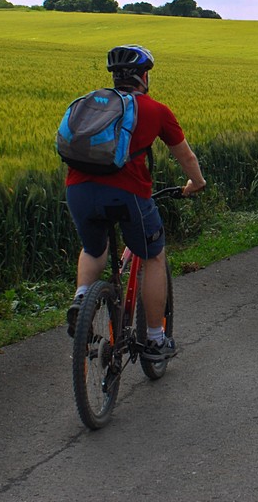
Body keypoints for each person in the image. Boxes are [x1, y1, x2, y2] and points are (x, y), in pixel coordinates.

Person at [65, 44, 206, 362]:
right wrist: (196, 183)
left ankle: (82, 299)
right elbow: (186, 155)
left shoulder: (91, 104)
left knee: (93, 249)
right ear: (144, 77)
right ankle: (156, 339)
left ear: (115, 78)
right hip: (126, 194)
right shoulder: (156, 110)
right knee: (153, 256)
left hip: (79, 191)